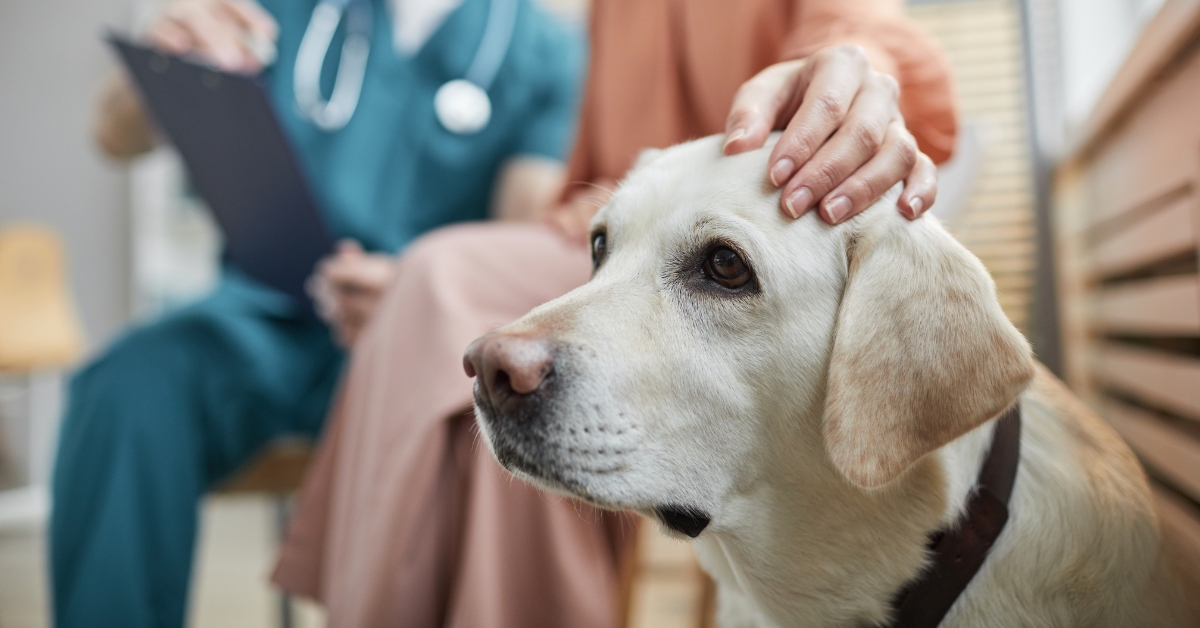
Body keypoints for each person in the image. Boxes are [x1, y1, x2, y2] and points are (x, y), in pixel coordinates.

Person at [270, 0, 958, 626]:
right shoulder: (606, 13)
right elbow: (583, 194)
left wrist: (851, 71)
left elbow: (857, 33)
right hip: (612, 254)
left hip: (747, 272)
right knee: (477, 363)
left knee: (439, 280)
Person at [52, 0, 584, 626]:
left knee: (480, 434)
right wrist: (165, 60)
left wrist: (414, 286)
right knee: (127, 384)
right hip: (262, 322)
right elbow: (112, 135)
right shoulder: (287, 10)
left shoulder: (546, 49)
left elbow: (519, 226)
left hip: (420, 343)